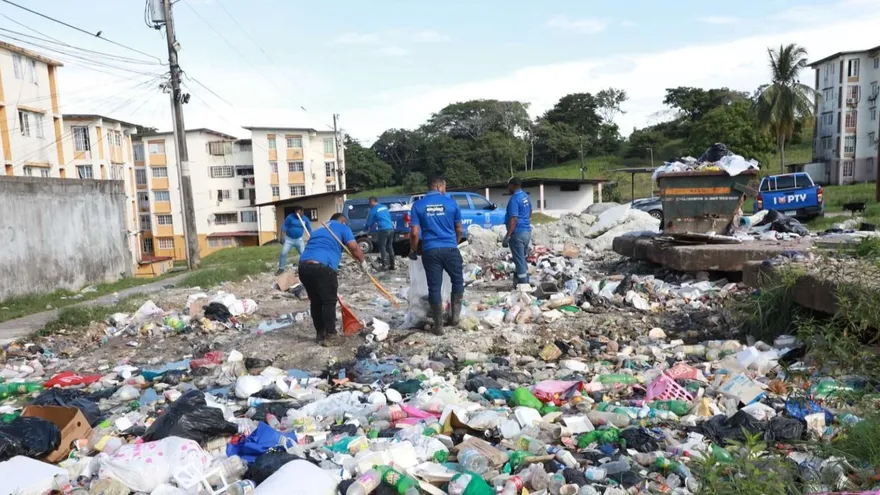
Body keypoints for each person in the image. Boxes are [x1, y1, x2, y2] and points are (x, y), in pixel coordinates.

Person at [298, 213, 367, 346]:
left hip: (304, 267)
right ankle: (330, 336)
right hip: (323, 267)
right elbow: (353, 247)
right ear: (343, 220)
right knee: (329, 302)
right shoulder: (343, 227)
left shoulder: (319, 230)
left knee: (316, 301)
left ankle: (320, 334)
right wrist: (362, 261)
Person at [409, 176, 464, 335]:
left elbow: (414, 233)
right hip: (450, 249)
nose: (445, 191)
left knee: (434, 287)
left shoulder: (418, 205)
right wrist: (454, 243)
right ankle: (455, 318)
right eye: (444, 188)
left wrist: (413, 250)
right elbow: (459, 229)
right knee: (457, 280)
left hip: (430, 250)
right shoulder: (451, 203)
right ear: (439, 186)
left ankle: (438, 326)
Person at [502, 177, 532, 287]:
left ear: (512, 186)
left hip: (517, 233)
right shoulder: (525, 196)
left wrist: (508, 235)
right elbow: (530, 211)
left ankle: (524, 285)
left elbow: (513, 219)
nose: (508, 188)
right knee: (522, 258)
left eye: (509, 186)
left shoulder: (514, 199)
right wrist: (525, 222)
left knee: (519, 261)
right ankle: (524, 281)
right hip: (526, 232)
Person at [276, 206, 312, 275]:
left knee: (303, 254)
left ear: (302, 212)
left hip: (299, 239)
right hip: (289, 239)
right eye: (296, 213)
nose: (298, 214)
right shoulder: (290, 217)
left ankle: (304, 268)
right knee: (283, 253)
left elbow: (309, 229)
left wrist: (311, 237)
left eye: (299, 213)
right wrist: (282, 237)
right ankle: (281, 268)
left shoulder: (305, 219)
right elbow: (284, 226)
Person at [365, 196, 395, 270]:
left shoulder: (373, 209)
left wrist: (365, 229)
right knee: (389, 246)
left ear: (372, 202)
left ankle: (385, 265)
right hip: (391, 228)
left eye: (369, 202)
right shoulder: (384, 207)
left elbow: (370, 222)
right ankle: (392, 265)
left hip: (383, 229)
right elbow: (388, 216)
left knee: (382, 246)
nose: (369, 204)